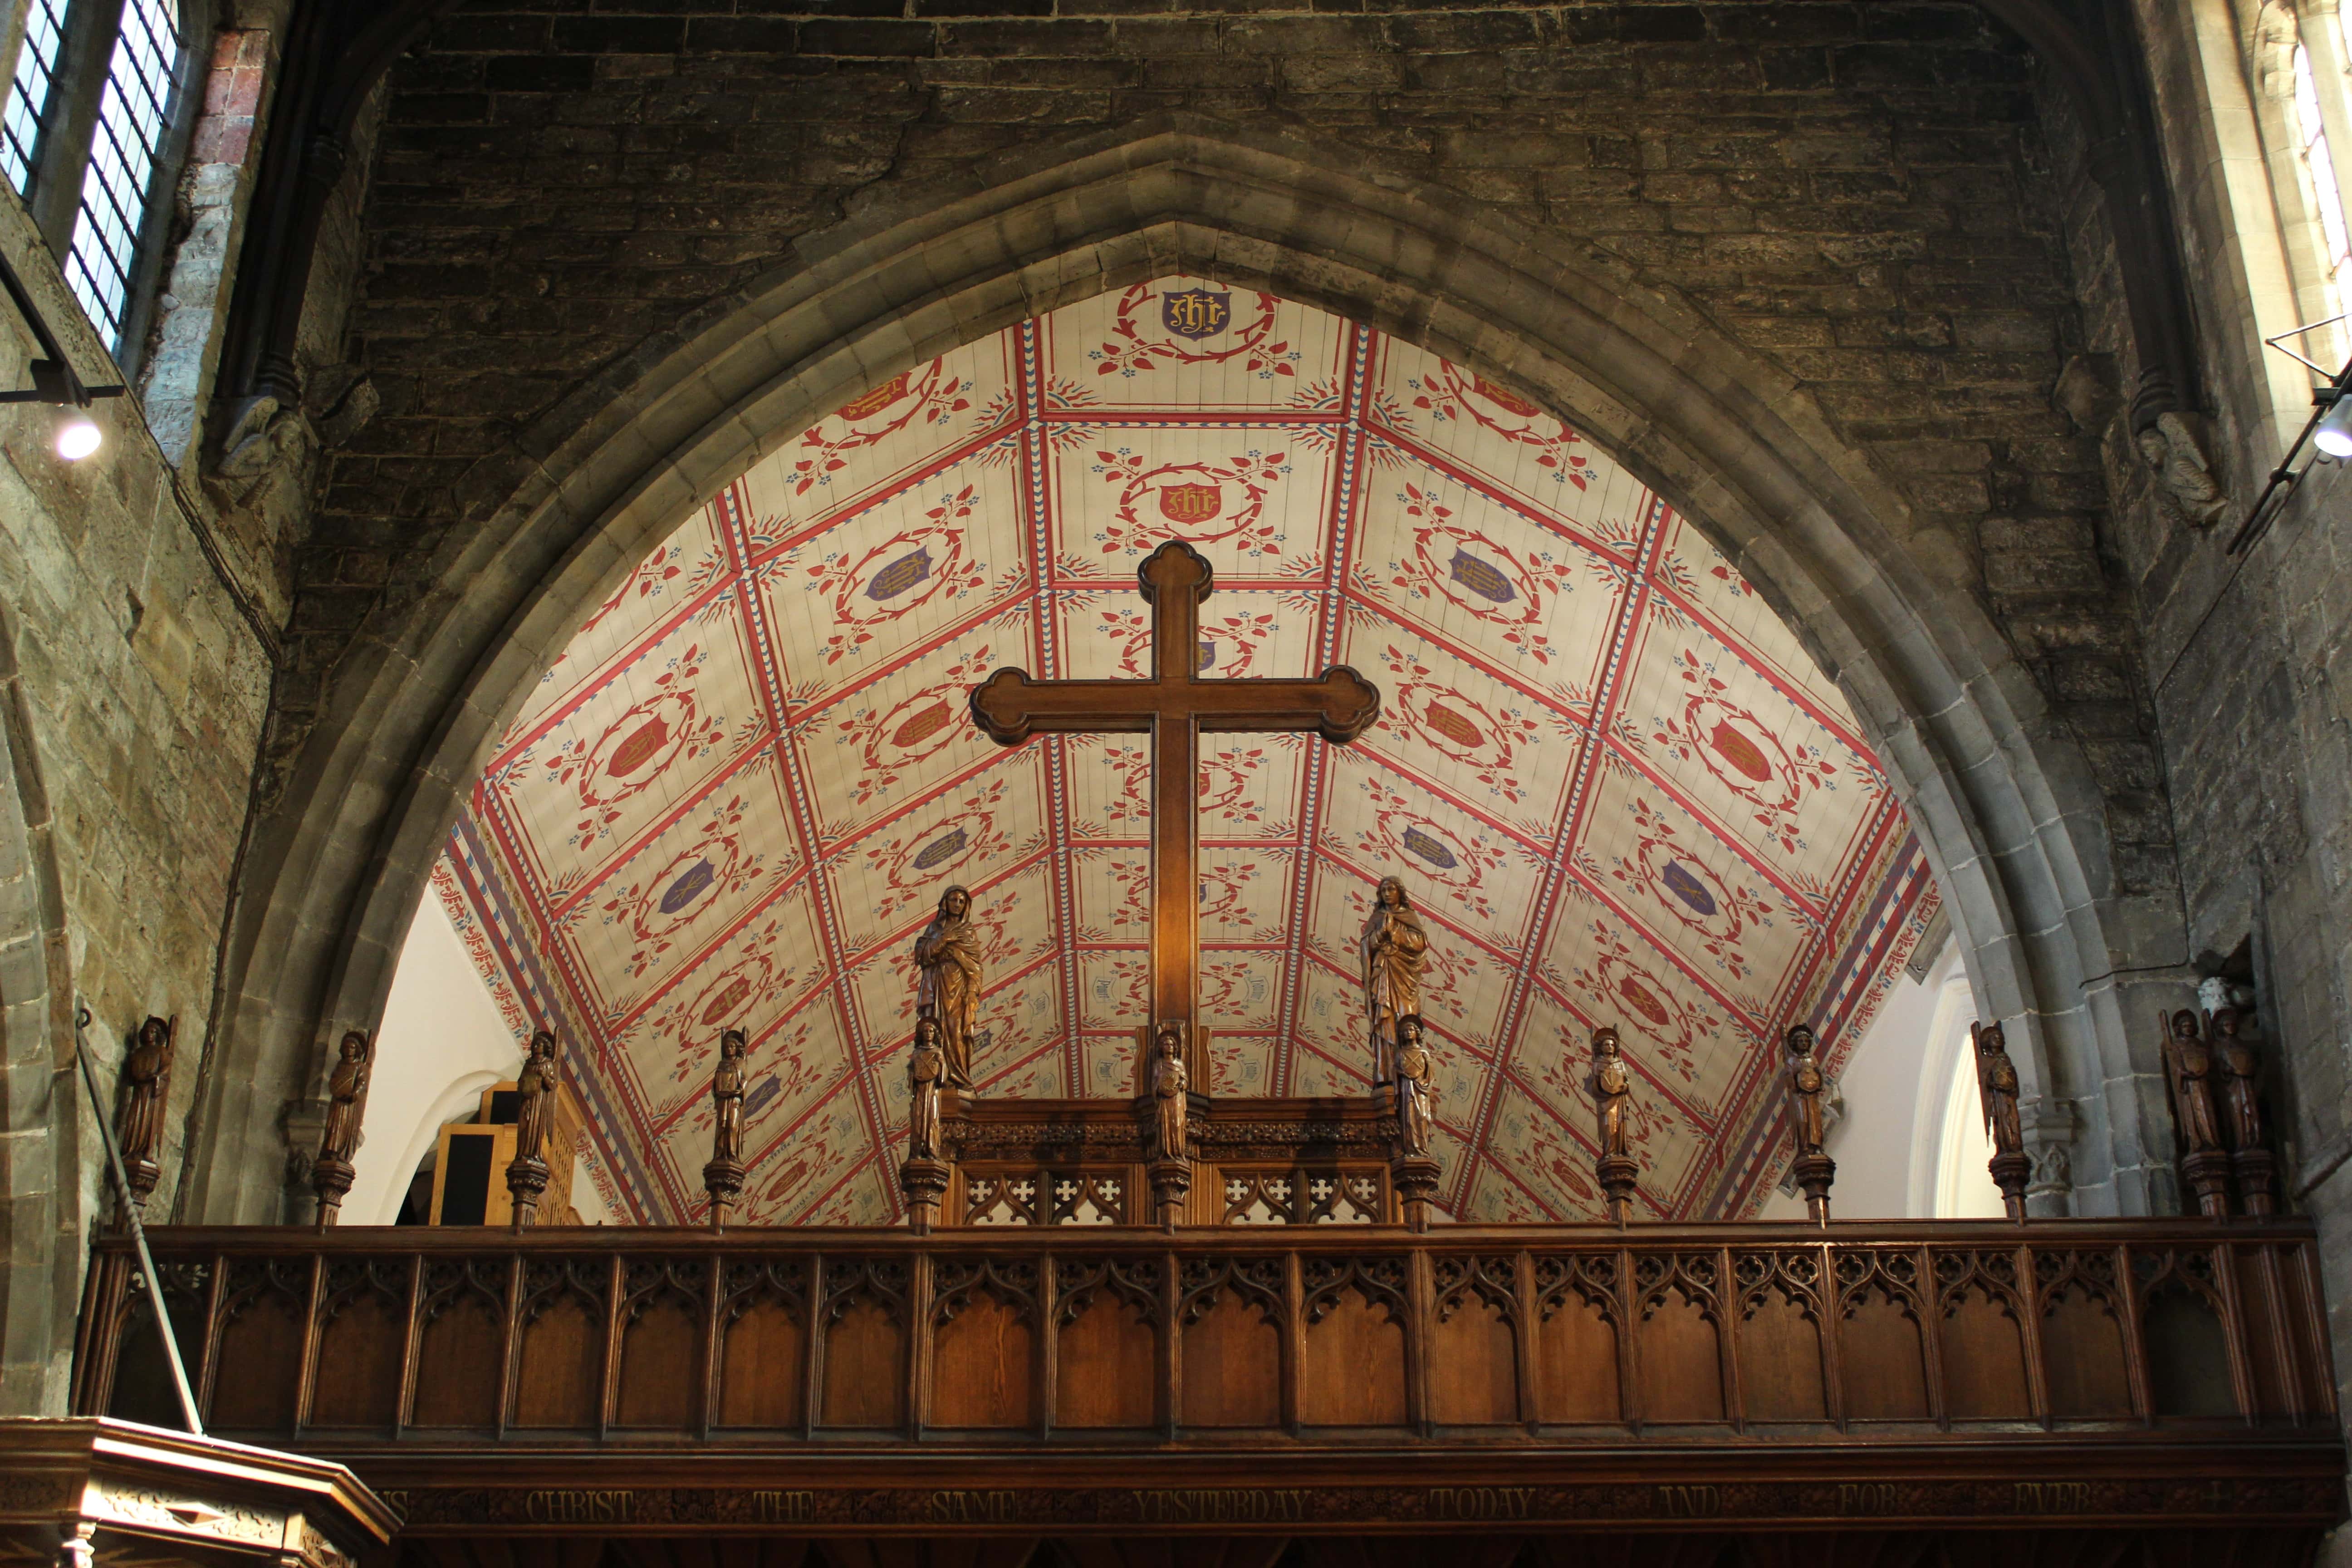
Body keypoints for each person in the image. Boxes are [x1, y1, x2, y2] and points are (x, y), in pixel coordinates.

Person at [914, 886, 981, 1088]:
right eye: (954, 900)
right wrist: (943, 939)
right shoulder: (935, 929)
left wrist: (972, 992)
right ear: (945, 902)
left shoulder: (968, 932)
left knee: (956, 1029)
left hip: (958, 984)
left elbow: (975, 967)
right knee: (937, 1026)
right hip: (937, 983)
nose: (957, 904)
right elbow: (922, 955)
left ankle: (958, 1076)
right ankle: (939, 1074)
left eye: (961, 901)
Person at [1360, 876, 1428, 1073]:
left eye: (1391, 889)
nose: (1387, 894)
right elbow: (1366, 946)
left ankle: (1407, 1066)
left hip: (1404, 978)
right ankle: (1386, 1070)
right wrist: (1382, 932)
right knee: (1385, 1019)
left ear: (1400, 893)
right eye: (1384, 891)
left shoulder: (1408, 916)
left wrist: (1395, 933)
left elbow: (1419, 943)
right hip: (1383, 974)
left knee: (1406, 1016)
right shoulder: (1377, 919)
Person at [2161, 1009, 2223, 1153]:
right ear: (2179, 1029)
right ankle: (2197, 1142)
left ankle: (2212, 1140)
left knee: (2208, 1111)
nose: (2188, 1029)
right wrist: (2183, 1073)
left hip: (2203, 1083)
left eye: (2190, 1026)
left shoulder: (2201, 1045)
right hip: (2189, 1086)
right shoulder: (2177, 1046)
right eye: (2184, 1026)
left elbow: (2210, 1063)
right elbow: (2176, 1066)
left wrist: (2207, 1070)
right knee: (2193, 1113)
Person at [319, 1029, 372, 1164]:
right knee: (333, 1127)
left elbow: (362, 1082)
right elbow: (334, 1081)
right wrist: (336, 1091)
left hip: (349, 1105)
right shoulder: (340, 1065)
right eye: (346, 1047)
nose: (349, 1050)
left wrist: (354, 1093)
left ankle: (340, 1152)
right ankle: (330, 1151)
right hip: (338, 1102)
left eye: (352, 1048)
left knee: (343, 1128)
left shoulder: (360, 1066)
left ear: (357, 1050)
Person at [514, 1029, 559, 1163]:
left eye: (539, 1045)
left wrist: (544, 1075)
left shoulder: (548, 1064)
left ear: (546, 1048)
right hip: (527, 1099)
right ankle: (521, 1153)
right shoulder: (529, 1064)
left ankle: (532, 1153)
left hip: (538, 1101)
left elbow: (552, 1085)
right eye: (534, 1044)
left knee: (533, 1125)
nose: (535, 1047)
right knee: (524, 1124)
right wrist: (523, 1087)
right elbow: (521, 1080)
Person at [1394, 1014, 1436, 1156]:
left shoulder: (1424, 1053)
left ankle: (1422, 1149)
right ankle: (1411, 1149)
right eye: (1406, 1031)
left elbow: (1430, 1074)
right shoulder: (1401, 1054)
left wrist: (1422, 1083)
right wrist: (1401, 1073)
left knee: (1423, 1117)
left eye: (1411, 1030)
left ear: (1417, 1033)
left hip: (1421, 1091)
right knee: (1409, 1120)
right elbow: (1396, 1072)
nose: (1408, 1033)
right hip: (1407, 1090)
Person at [1784, 1023, 1826, 1156]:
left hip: (1812, 1096)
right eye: (1801, 1041)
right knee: (1804, 1121)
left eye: (1806, 1041)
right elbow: (1790, 1077)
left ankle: (1816, 1146)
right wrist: (1795, 1085)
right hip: (1800, 1096)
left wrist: (1819, 1084)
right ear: (1795, 1044)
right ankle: (1805, 1147)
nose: (1804, 1043)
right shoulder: (1792, 1060)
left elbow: (1818, 1074)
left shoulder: (1812, 1059)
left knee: (1815, 1121)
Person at [908, 1017, 946, 1160]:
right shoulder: (917, 1053)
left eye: (931, 1031)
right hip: (920, 1092)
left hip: (933, 1091)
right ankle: (918, 1149)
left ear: (935, 1034)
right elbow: (912, 1072)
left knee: (932, 1117)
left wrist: (942, 1064)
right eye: (926, 1031)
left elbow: (942, 1079)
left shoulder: (938, 1052)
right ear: (921, 1034)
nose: (929, 1034)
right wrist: (912, 1075)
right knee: (918, 1117)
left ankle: (931, 1148)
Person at [1151, 1019, 1189, 1161]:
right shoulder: (1159, 1065)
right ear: (1162, 1047)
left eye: (1172, 1044)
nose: (1169, 1047)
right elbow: (1155, 1082)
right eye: (1166, 1044)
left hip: (1177, 1099)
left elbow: (1185, 1080)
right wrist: (1159, 1089)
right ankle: (1166, 1151)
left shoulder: (1179, 1064)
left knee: (1177, 1124)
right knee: (1165, 1125)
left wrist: (1182, 1084)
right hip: (1164, 1100)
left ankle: (1178, 1152)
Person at [1590, 1026, 1630, 1159]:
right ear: (1601, 1048)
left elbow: (1626, 1080)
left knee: (1619, 1125)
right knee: (1608, 1126)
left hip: (1619, 1099)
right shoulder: (1598, 1063)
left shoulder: (1620, 1063)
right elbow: (1595, 1084)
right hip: (1605, 1100)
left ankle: (1619, 1151)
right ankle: (1610, 1152)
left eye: (1612, 1045)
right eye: (1607, 1045)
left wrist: (1625, 1087)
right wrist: (1600, 1088)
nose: (1610, 1047)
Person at [710, 1028, 747, 1166]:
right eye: (726, 1047)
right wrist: (718, 1090)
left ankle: (732, 1153)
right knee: (722, 1126)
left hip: (735, 1101)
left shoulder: (741, 1063)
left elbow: (745, 1079)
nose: (729, 1049)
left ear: (737, 1048)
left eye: (732, 1047)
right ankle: (720, 1153)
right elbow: (716, 1082)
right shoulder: (722, 1064)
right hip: (723, 1101)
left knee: (732, 1126)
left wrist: (740, 1090)